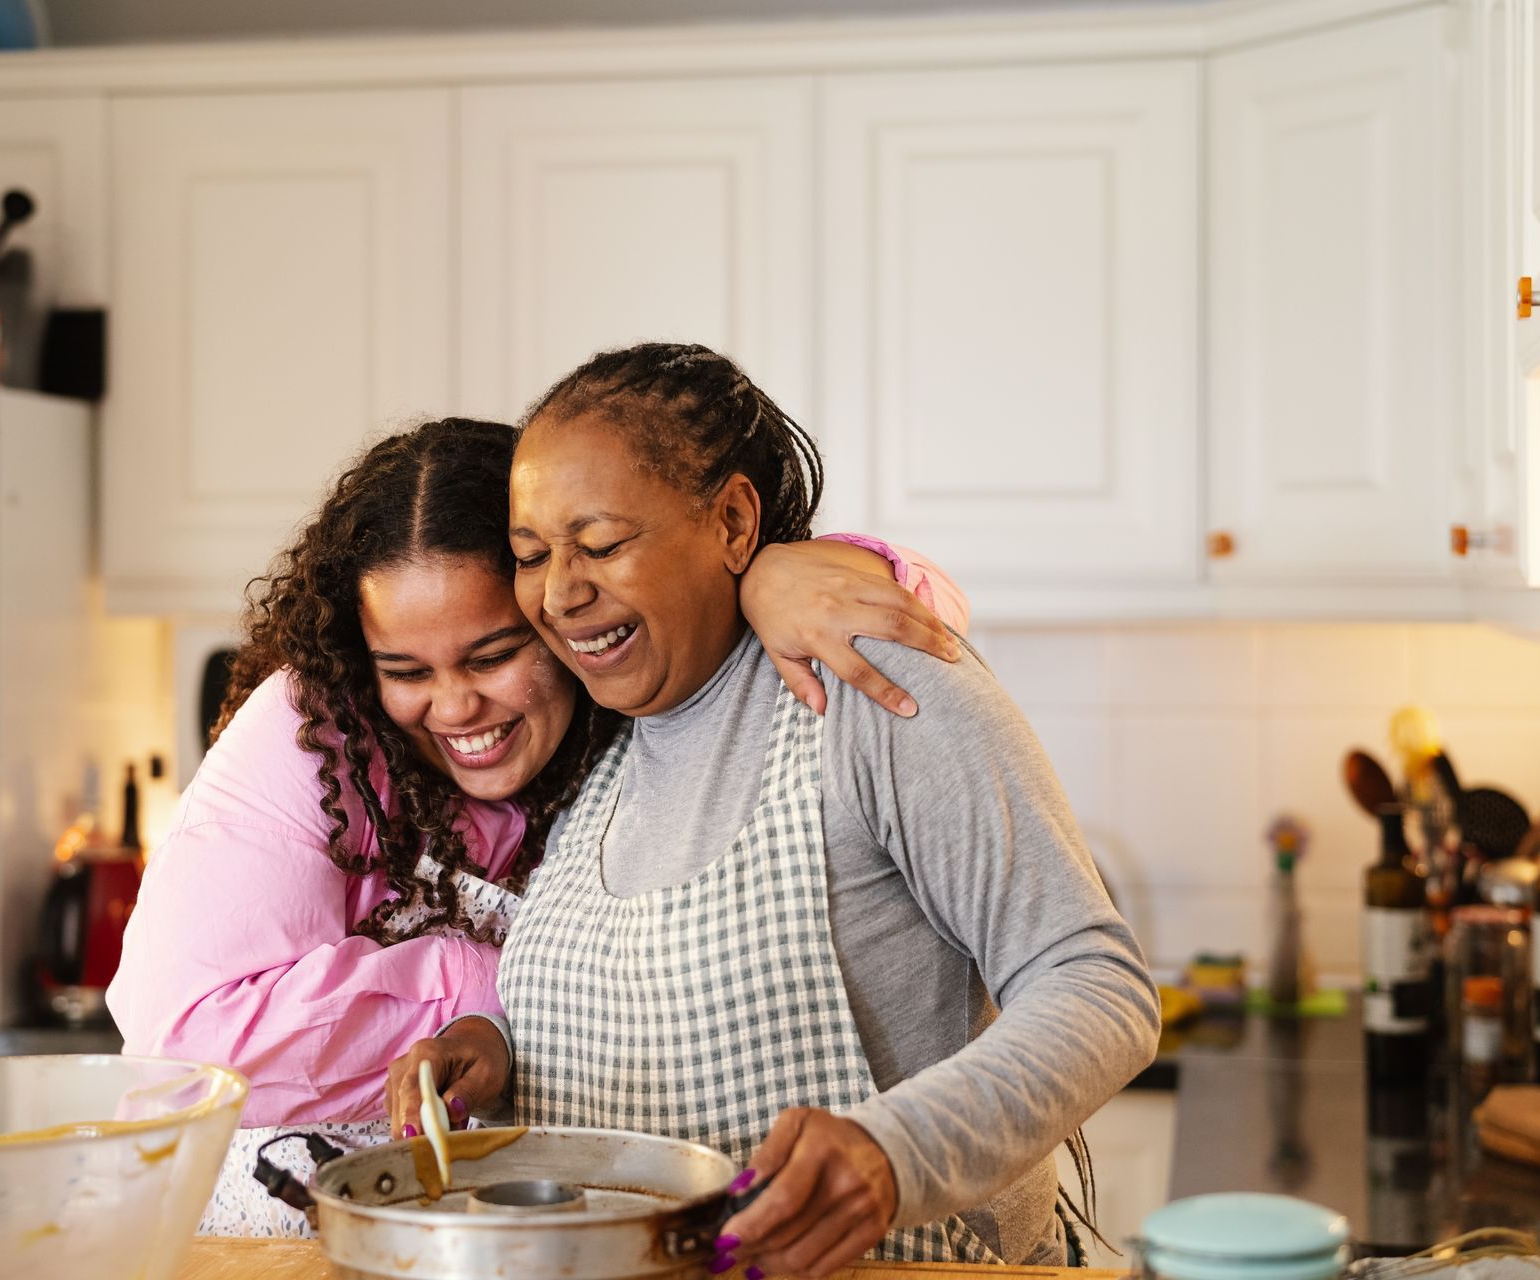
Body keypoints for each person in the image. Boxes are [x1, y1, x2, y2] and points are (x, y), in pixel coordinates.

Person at [387, 346, 1160, 1272]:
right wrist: (500, 1049)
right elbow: (643, 1010)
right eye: (530, 556)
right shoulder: (602, 744)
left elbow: (1098, 984)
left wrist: (892, 1153)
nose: (559, 592)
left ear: (734, 522)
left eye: (601, 545)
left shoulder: (863, 683)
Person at [107, 416, 968, 1237]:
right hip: (275, 1241)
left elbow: (924, 625)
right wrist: (507, 983)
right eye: (406, 670)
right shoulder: (315, 729)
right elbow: (187, 1044)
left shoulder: (639, 704)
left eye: (493, 655)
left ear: (559, 605)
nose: (453, 707)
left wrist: (780, 574)